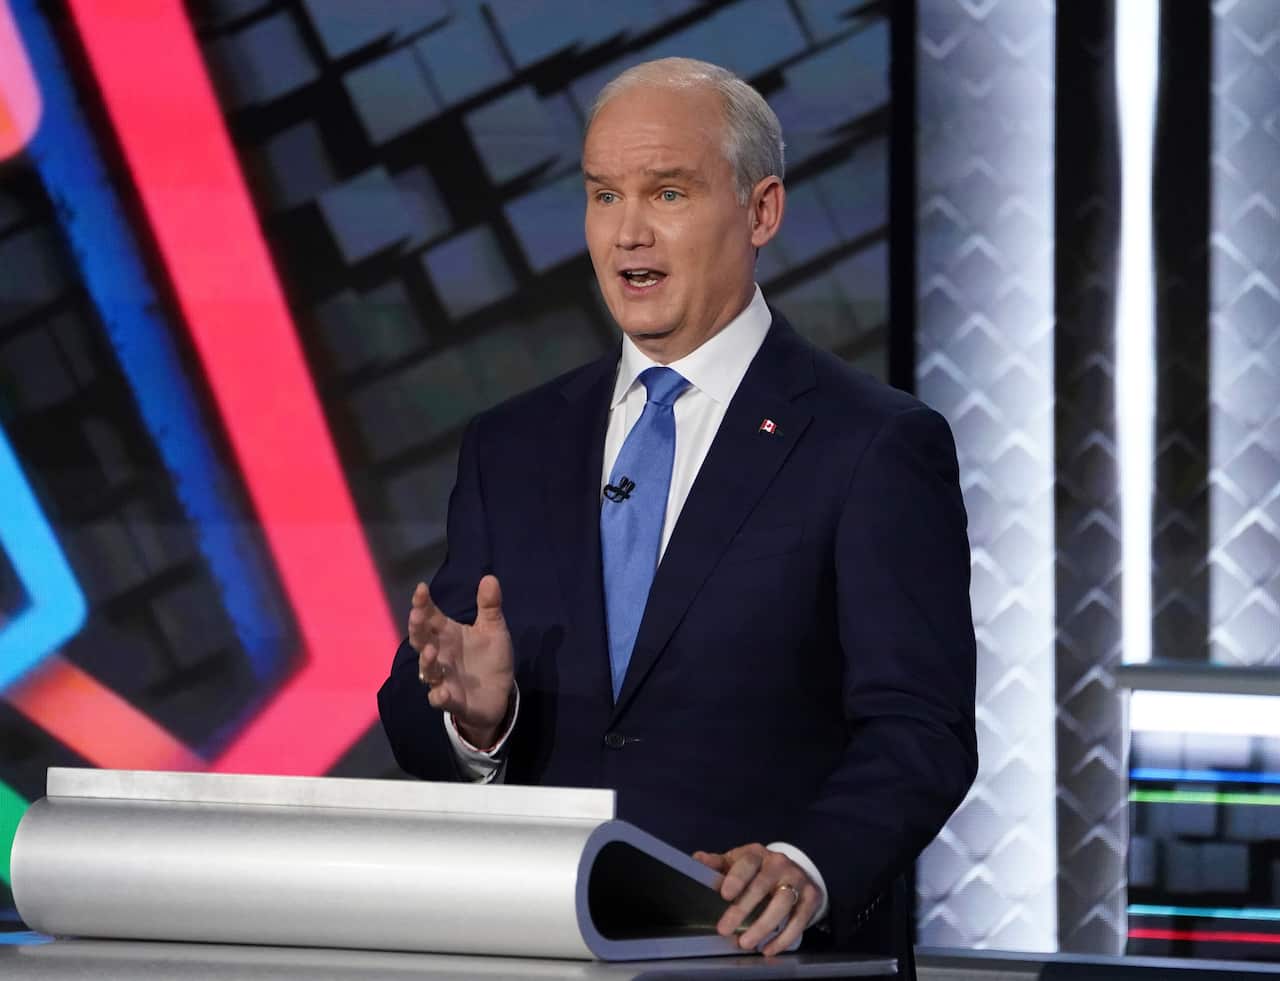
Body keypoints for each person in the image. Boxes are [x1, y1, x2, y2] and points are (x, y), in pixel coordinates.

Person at [378, 57, 977, 970]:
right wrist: (478, 723)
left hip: (757, 955)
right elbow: (421, 707)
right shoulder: (514, 444)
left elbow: (920, 727)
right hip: (538, 950)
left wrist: (809, 866)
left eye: (667, 191)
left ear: (762, 211)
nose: (629, 233)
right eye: (604, 196)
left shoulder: (873, 444)